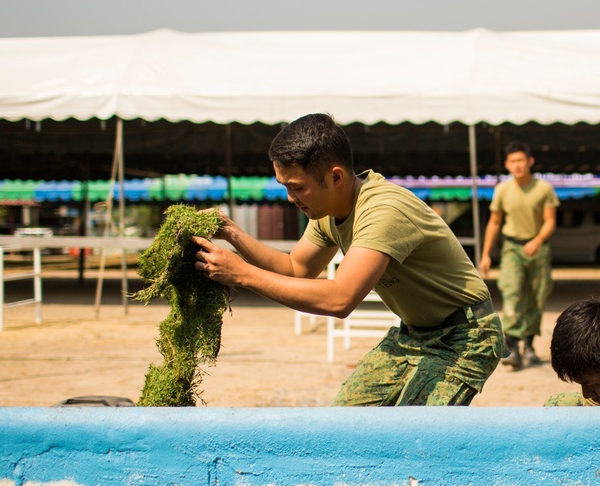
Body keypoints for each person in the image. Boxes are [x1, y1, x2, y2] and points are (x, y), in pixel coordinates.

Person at [192, 113, 506, 406]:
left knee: (414, 435)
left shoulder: (384, 210)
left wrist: (241, 274)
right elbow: (296, 268)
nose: (290, 198)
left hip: (466, 336)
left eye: (297, 187)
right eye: (284, 187)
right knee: (349, 420)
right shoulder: (327, 210)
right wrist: (233, 233)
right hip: (413, 333)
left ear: (336, 177)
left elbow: (340, 300)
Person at [479, 142, 559, 370]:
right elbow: (494, 222)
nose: (517, 165)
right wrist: (486, 254)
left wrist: (537, 241)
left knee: (537, 296)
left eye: (520, 160)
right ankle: (512, 345)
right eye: (512, 161)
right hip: (512, 248)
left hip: (538, 247)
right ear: (507, 164)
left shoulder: (543, 188)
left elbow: (550, 221)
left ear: (530, 161)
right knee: (512, 292)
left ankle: (530, 345)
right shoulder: (502, 190)